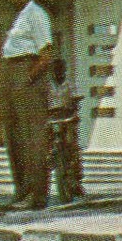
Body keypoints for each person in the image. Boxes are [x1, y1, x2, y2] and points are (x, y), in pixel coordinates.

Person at [0, 0, 54, 211]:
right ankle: (21, 191)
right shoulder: (20, 16)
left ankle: (36, 195)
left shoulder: (36, 14)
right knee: (15, 138)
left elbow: (46, 55)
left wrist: (27, 79)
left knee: (33, 139)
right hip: (12, 73)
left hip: (27, 73)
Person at [47, 59, 84, 205]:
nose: (58, 72)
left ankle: (77, 179)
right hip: (52, 119)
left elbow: (76, 97)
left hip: (67, 119)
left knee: (72, 147)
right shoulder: (47, 85)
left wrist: (74, 104)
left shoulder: (69, 83)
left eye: (60, 69)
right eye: (55, 69)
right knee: (45, 147)